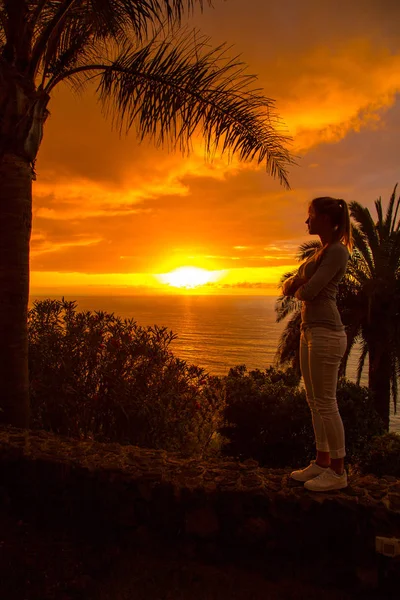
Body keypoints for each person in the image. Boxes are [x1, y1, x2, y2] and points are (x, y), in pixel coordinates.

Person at [282, 196, 352, 492]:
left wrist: (297, 288)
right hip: (308, 330)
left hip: (326, 332)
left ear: (325, 218)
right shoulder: (320, 252)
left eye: (310, 215)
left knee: (326, 402)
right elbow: (289, 283)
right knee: (314, 401)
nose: (306, 221)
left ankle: (338, 471)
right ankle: (322, 461)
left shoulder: (336, 251)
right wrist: (296, 286)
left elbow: (307, 290)